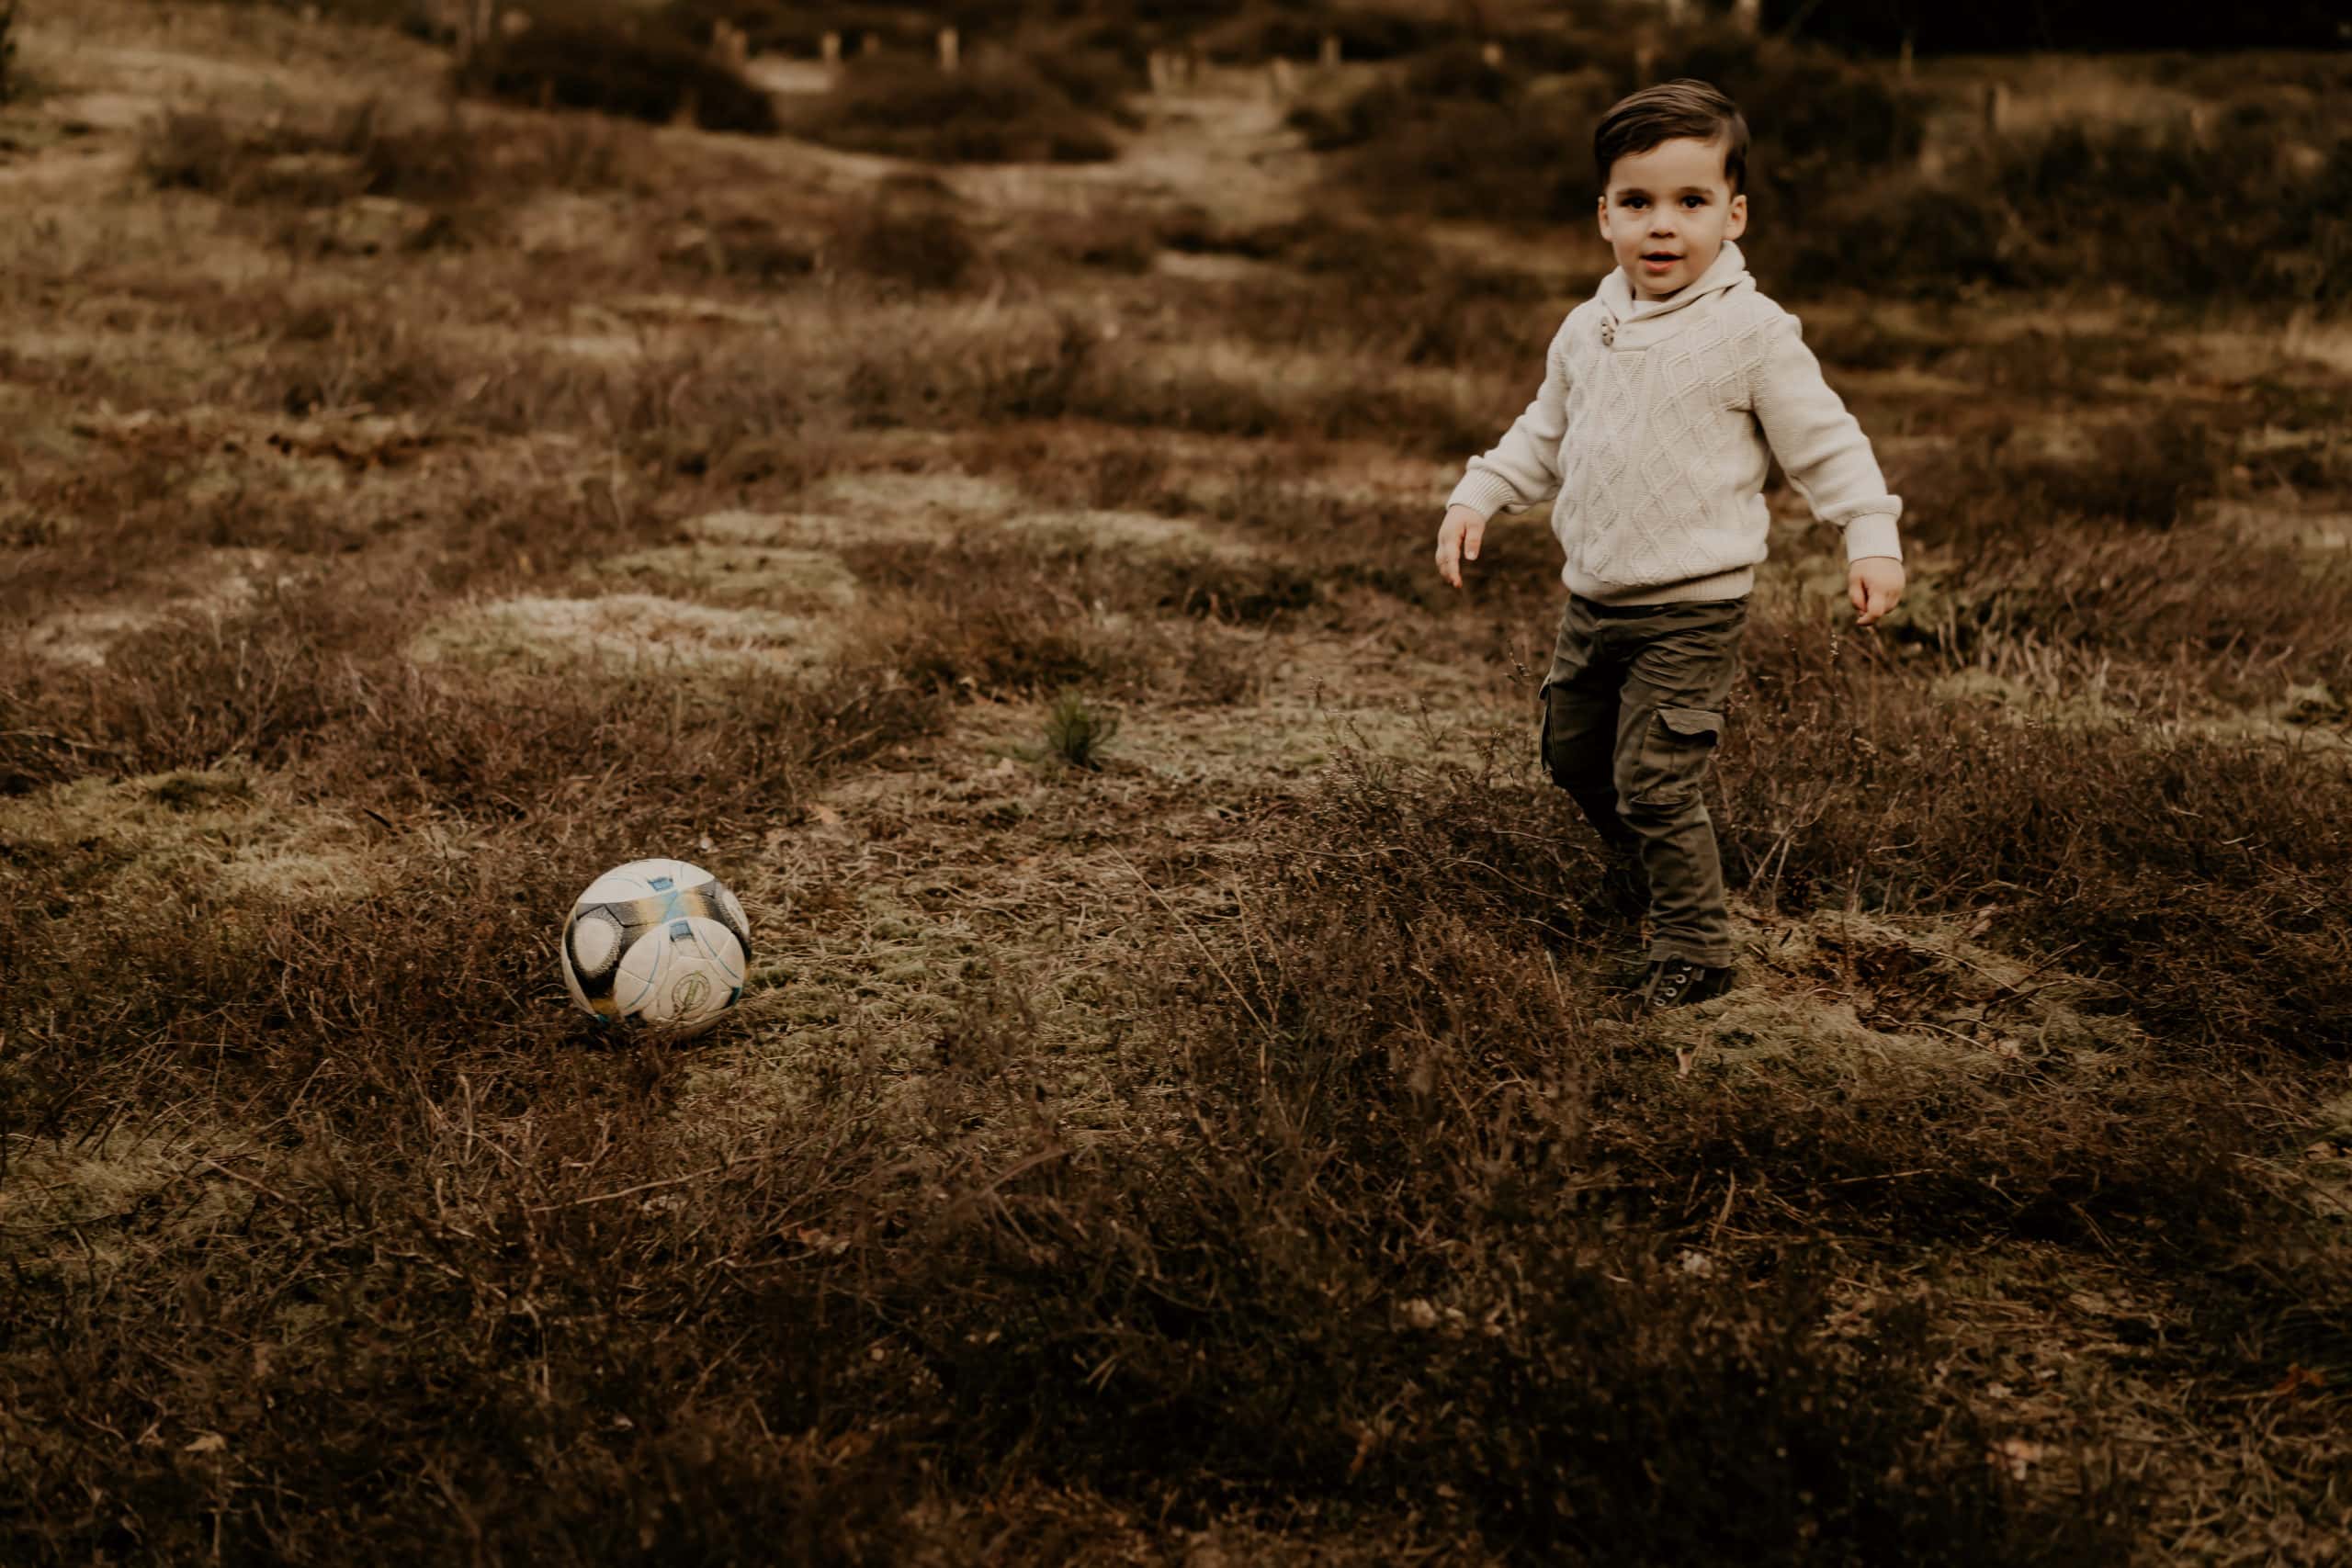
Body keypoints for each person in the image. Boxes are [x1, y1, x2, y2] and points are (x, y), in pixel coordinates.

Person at [1433, 77, 1906, 1012]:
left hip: (1692, 607)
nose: (1662, 226)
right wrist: (1480, 492)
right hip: (1594, 598)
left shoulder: (1751, 334)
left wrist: (1868, 531)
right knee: (1572, 759)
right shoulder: (1587, 327)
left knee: (1653, 777)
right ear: (1601, 215)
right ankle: (1653, 870)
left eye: (1689, 203)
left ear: (1733, 215)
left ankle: (1697, 949)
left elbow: (1824, 438)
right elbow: (1545, 432)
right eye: (1637, 203)